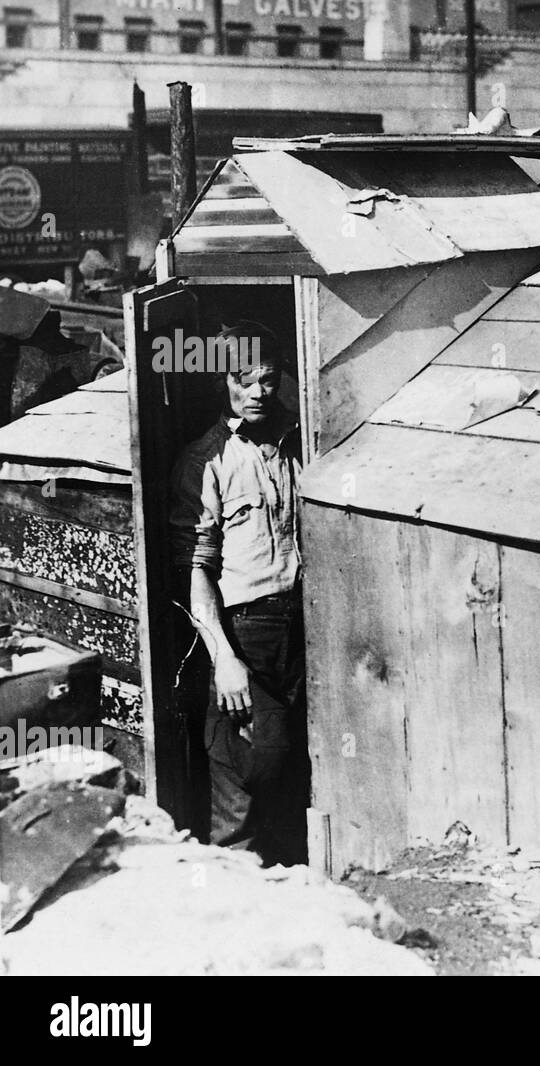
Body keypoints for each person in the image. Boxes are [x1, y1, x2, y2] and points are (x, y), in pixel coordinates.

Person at [169, 321, 307, 866]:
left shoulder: (297, 440)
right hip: (244, 631)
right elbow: (195, 572)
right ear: (220, 381)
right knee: (244, 772)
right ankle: (234, 897)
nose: (256, 392)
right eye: (242, 379)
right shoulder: (205, 461)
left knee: (292, 770)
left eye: (268, 380)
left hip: (303, 626)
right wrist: (224, 659)